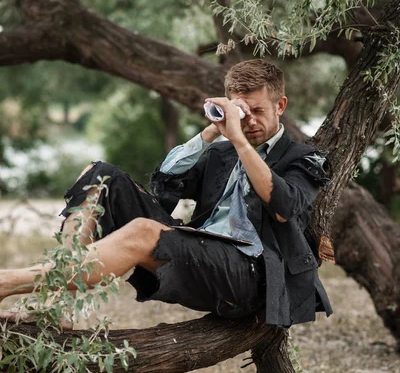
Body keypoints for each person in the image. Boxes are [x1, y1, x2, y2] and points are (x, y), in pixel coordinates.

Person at [0, 59, 332, 328]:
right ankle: (60, 306)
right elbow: (164, 186)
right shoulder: (221, 154)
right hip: (200, 251)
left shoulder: (304, 159)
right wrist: (211, 132)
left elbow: (283, 207)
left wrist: (240, 140)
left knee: (146, 232)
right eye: (243, 114)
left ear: (281, 105)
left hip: (249, 275)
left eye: (258, 111)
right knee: (99, 175)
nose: (250, 122)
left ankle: (6, 282)